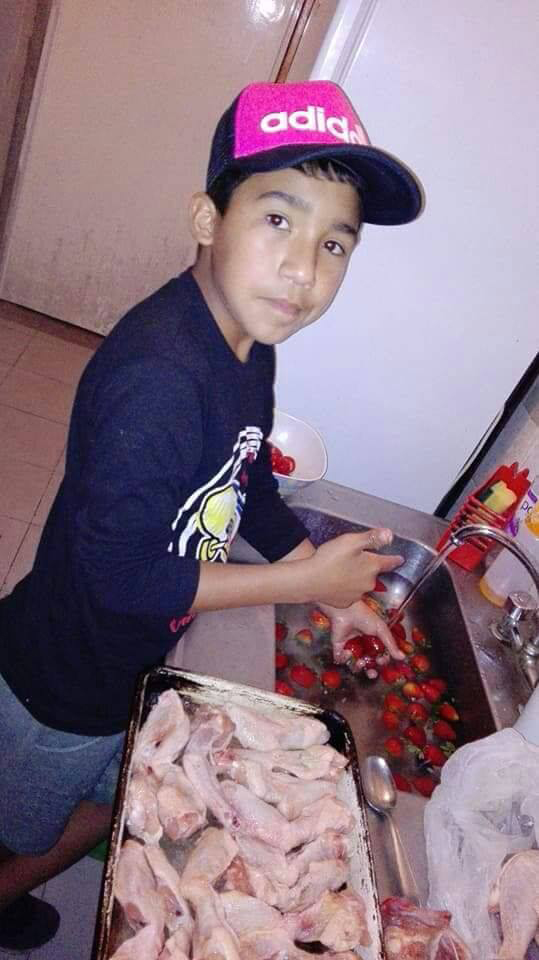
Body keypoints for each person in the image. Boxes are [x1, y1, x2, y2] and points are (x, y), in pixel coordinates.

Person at [0, 79, 422, 949]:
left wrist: (327, 585)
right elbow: (119, 577)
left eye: (333, 242)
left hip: (122, 657)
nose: (304, 268)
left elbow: (247, 482)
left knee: (118, 793)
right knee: (29, 829)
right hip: (63, 682)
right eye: (277, 219)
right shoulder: (160, 376)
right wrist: (299, 580)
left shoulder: (244, 344)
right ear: (206, 218)